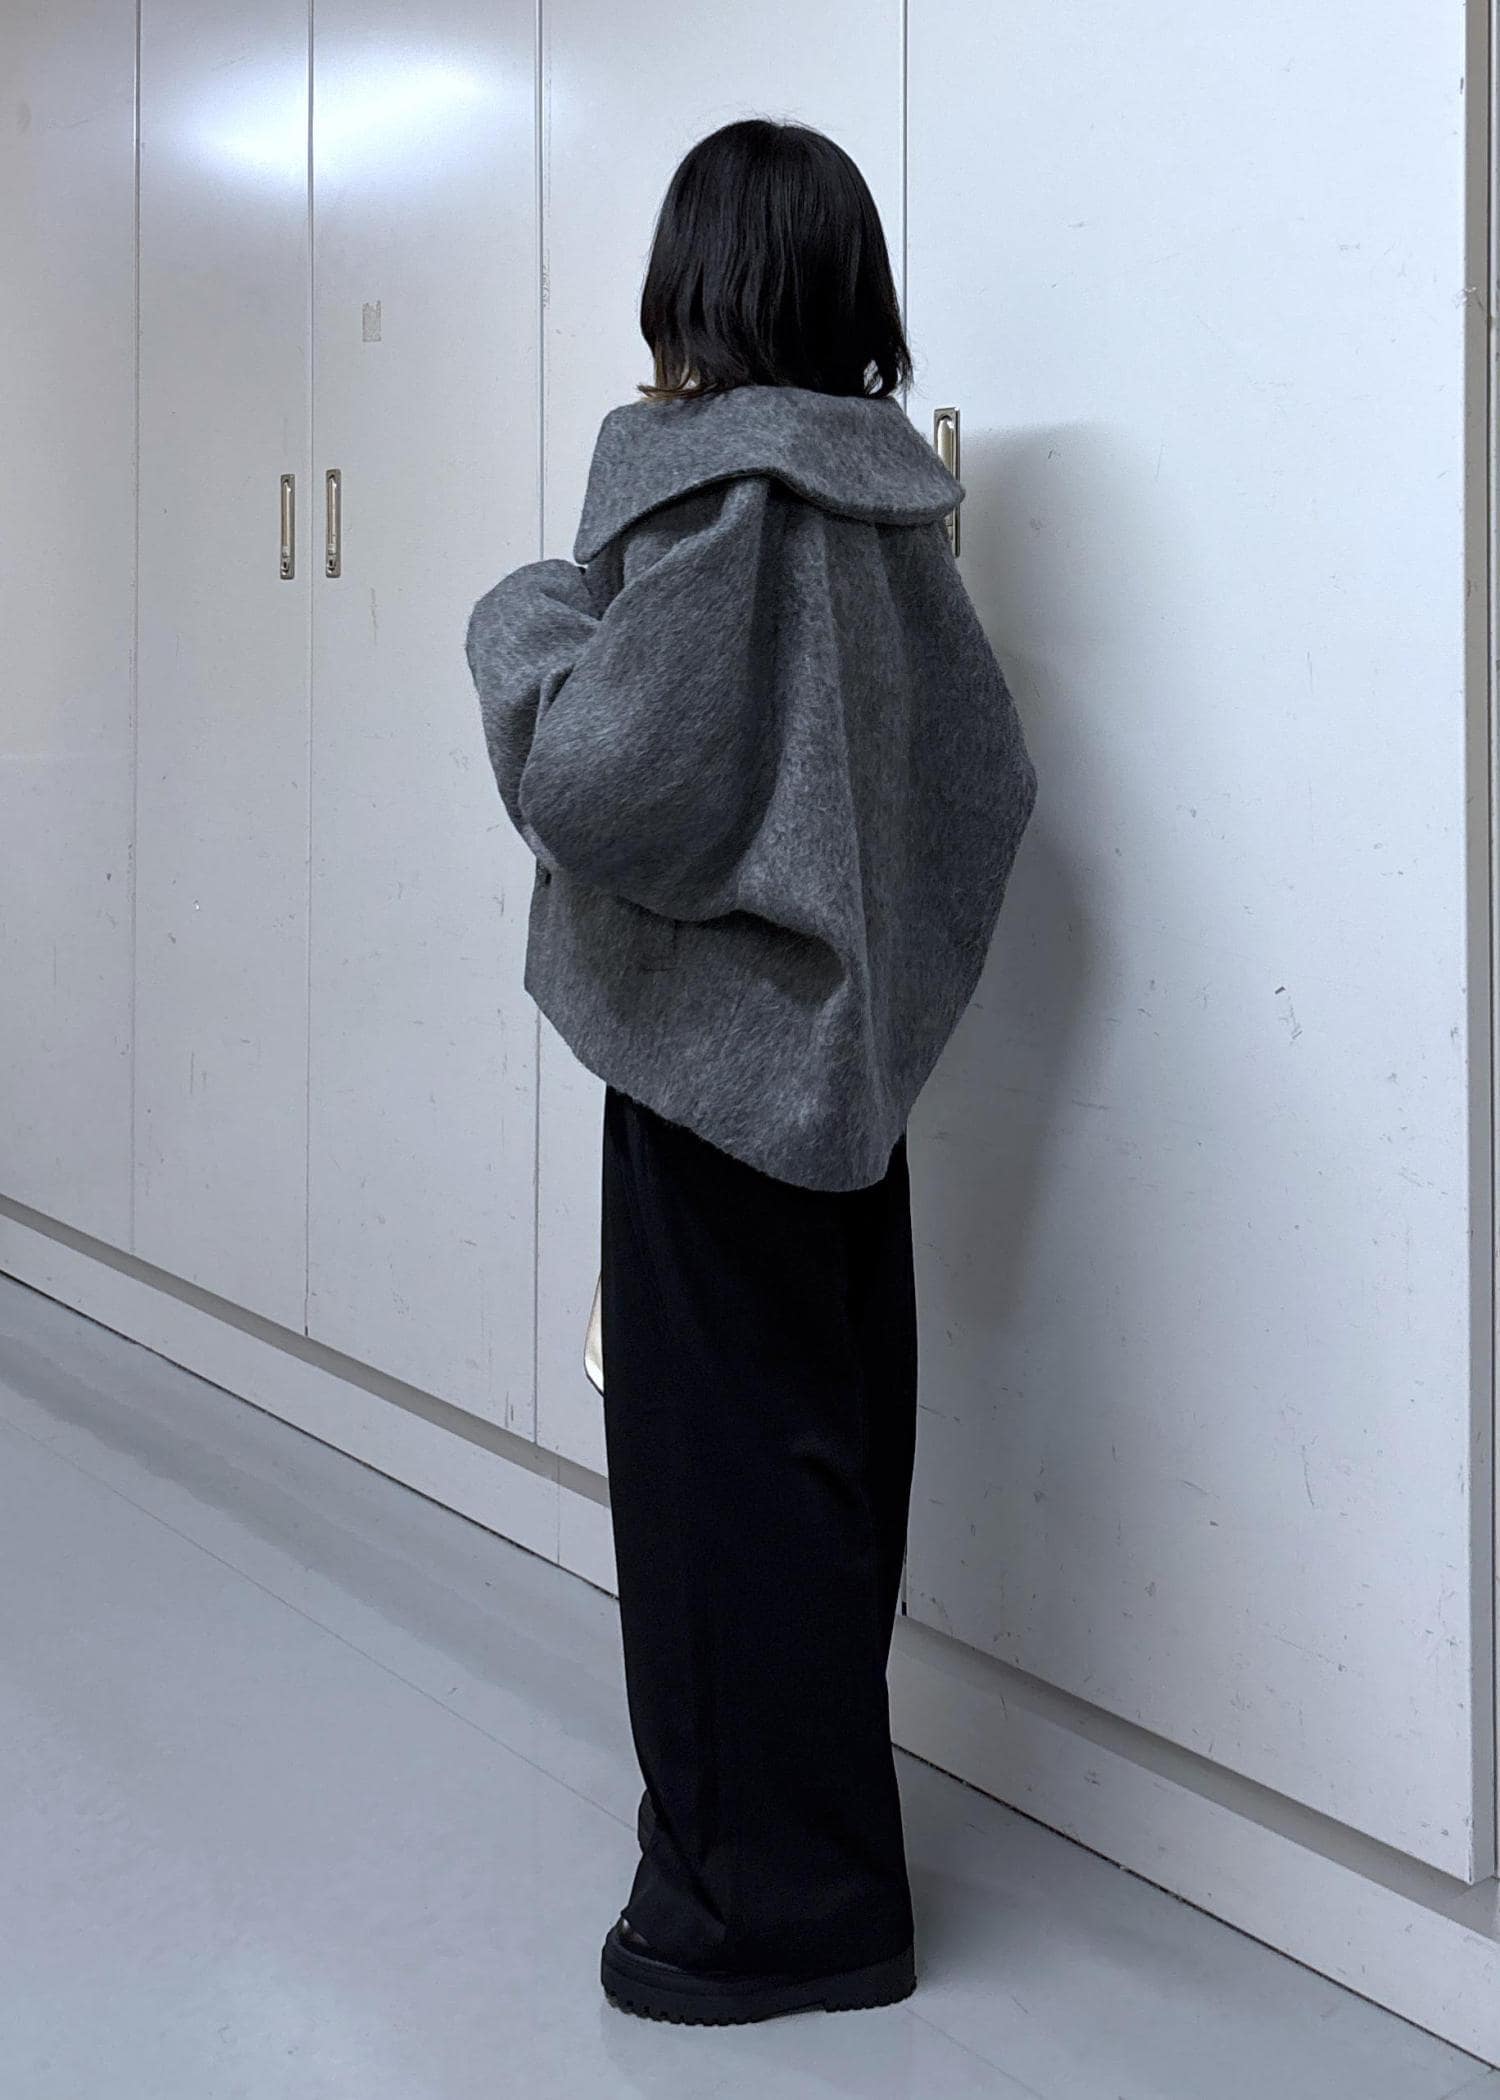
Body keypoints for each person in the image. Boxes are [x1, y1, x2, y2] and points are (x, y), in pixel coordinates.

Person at [464, 115, 1038, 2026]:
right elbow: (984, 786)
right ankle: (824, 1870)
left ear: (697, 287)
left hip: (712, 1082)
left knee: (715, 1495)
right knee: (826, 1469)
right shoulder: (888, 508)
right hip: (842, 1092)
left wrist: (522, 619)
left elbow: (601, 780)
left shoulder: (717, 498)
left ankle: (750, 1911)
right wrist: (877, 996)